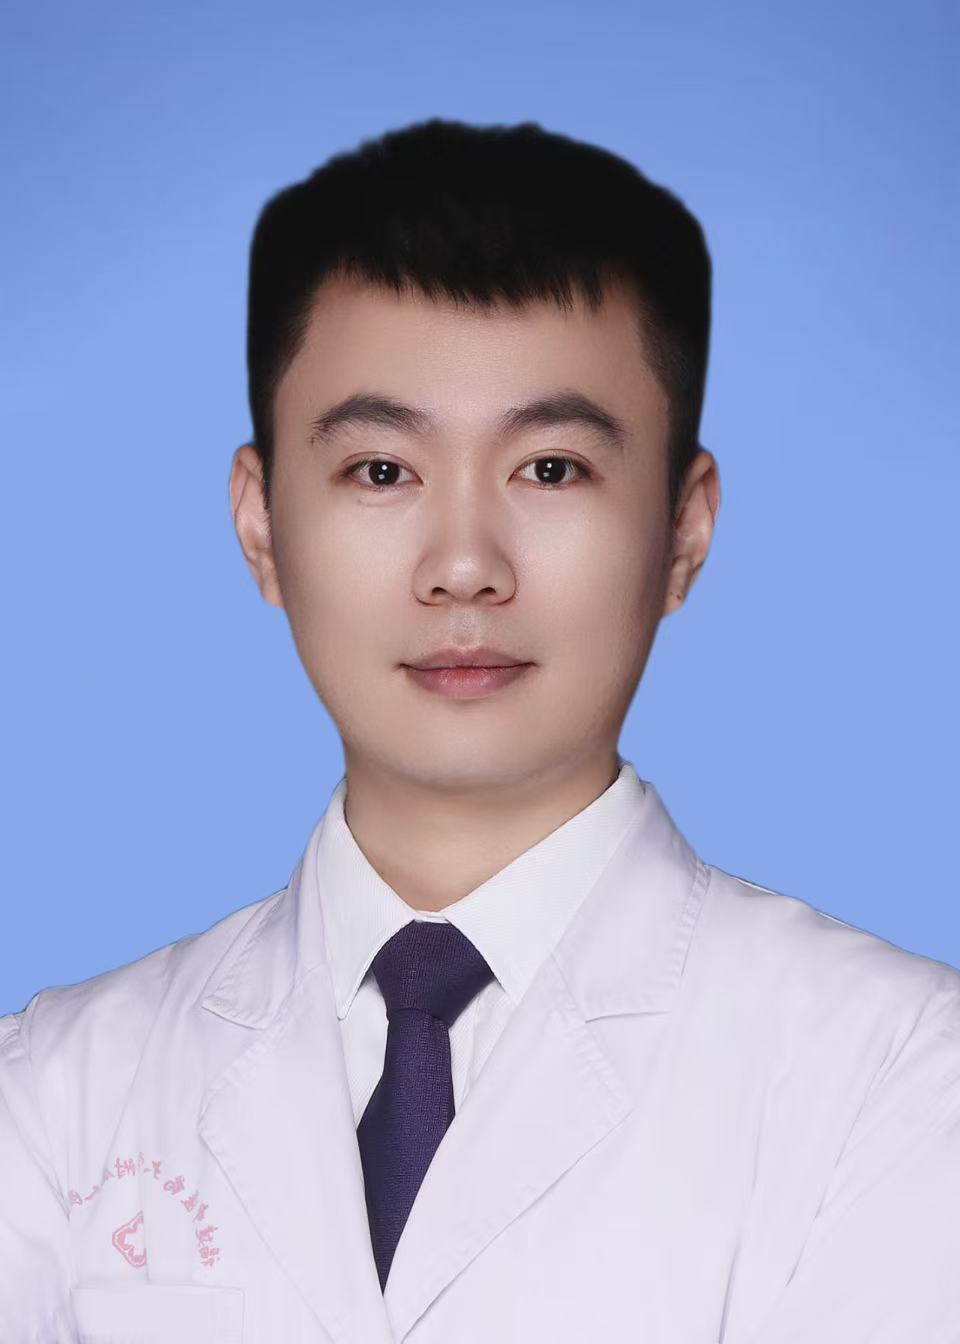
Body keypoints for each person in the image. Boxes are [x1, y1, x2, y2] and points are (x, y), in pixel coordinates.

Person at [1, 117, 958, 1344]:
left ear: (684, 529)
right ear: (260, 524)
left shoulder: (899, 1076)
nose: (463, 565)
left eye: (550, 469)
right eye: (381, 471)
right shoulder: (55, 1093)